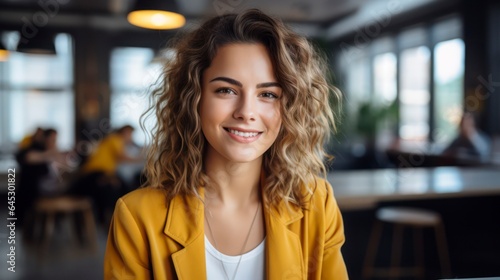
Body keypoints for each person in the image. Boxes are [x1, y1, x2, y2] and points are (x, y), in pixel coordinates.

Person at [104, 9, 348, 280]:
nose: (246, 111)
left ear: (289, 107)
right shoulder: (137, 217)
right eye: (226, 90)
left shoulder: (316, 204)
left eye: (267, 94)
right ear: (193, 98)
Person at [72, 125, 142, 223]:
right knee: (121, 188)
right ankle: (114, 219)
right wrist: (142, 158)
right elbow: (121, 157)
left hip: (98, 173)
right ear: (125, 132)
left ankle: (109, 219)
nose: (131, 137)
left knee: (117, 187)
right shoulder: (115, 139)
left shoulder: (113, 139)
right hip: (95, 172)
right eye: (130, 134)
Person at [16, 128, 61, 230]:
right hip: (36, 194)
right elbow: (27, 157)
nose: (55, 142)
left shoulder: (50, 153)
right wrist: (51, 155)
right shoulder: (36, 151)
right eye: (53, 139)